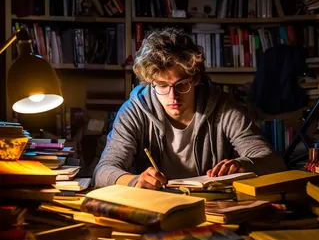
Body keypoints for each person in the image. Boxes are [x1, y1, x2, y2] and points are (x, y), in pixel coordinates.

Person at [93, 27, 287, 190]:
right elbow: (103, 172)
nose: (172, 96)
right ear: (150, 82)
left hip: (211, 205)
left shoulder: (223, 107)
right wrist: (136, 181)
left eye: (181, 85)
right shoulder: (134, 110)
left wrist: (243, 164)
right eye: (162, 85)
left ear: (195, 79)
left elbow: (273, 161)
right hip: (155, 205)